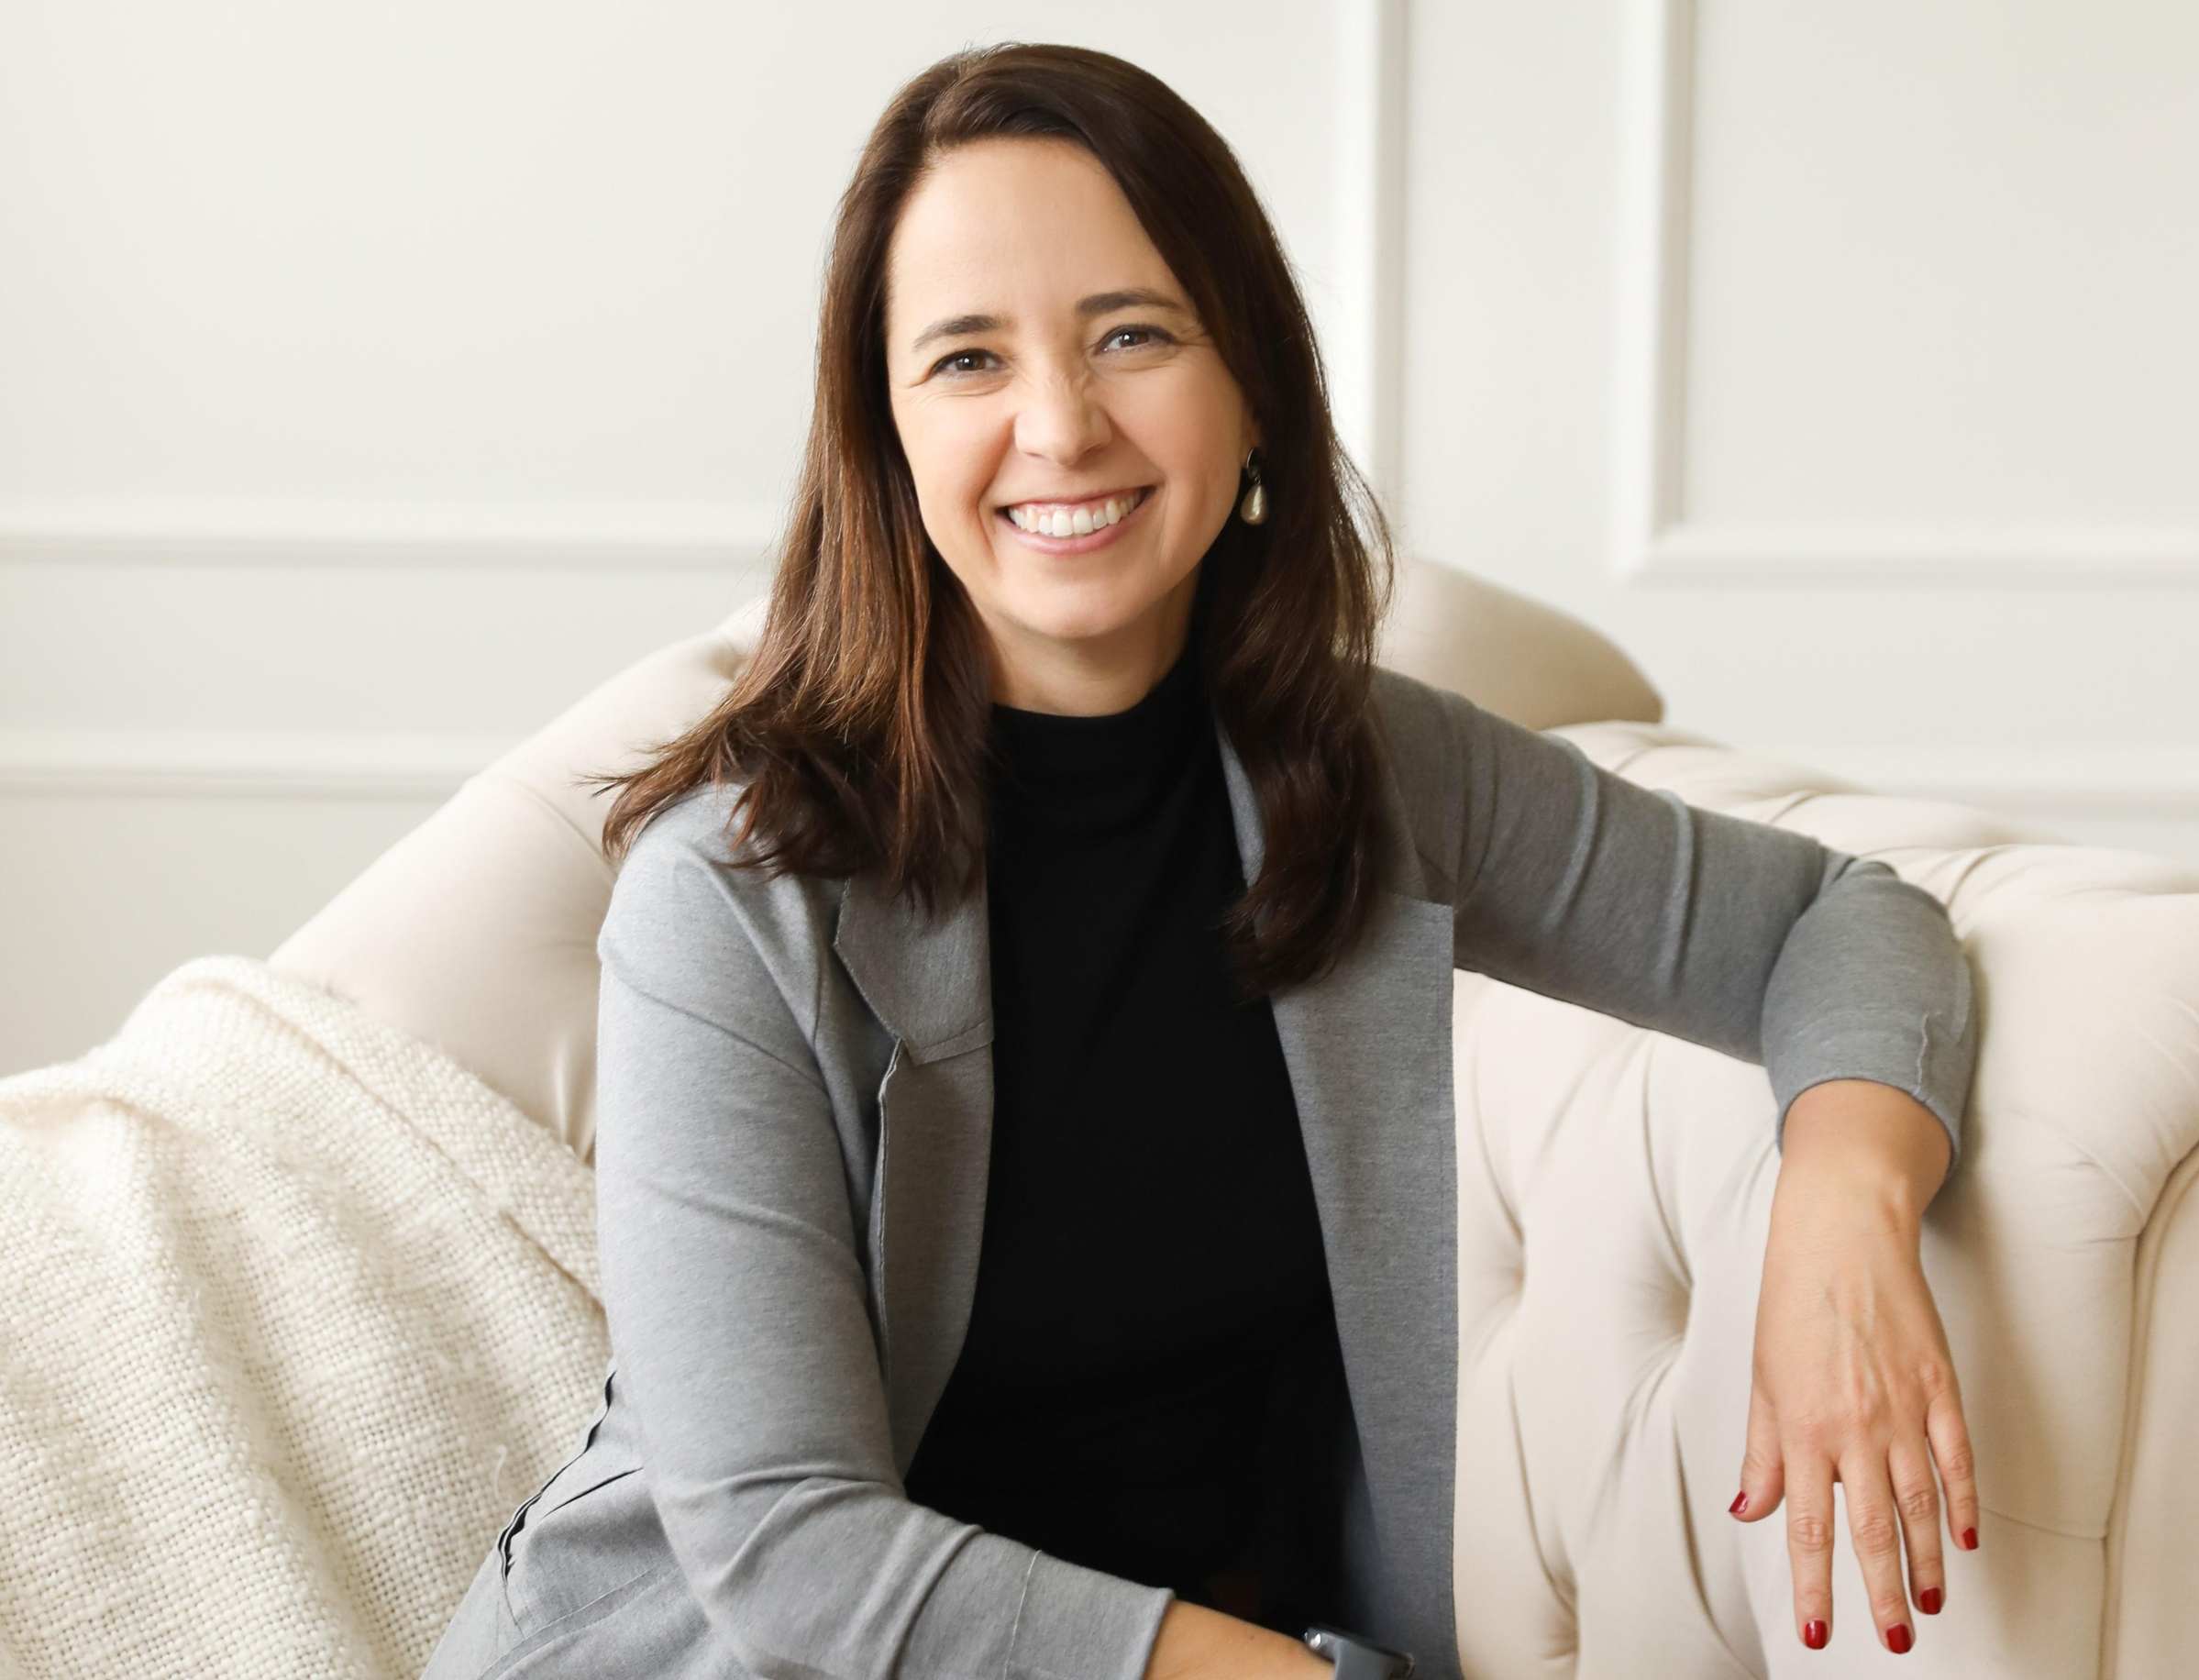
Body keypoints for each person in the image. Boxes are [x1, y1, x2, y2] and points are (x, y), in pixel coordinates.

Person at [422, 39, 1981, 1680]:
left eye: (1132, 335)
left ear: (1251, 386)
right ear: (883, 437)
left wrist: (1843, 1206)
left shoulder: (1375, 776)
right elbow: (790, 1554)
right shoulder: (732, 899)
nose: (1058, 425)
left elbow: (1838, 922)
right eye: (967, 359)